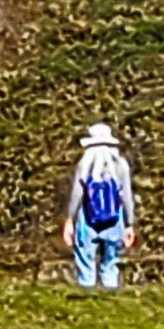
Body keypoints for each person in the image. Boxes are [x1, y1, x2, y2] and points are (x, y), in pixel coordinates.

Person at [61, 122, 136, 289]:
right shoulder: (120, 165)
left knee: (85, 262)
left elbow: (77, 194)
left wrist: (69, 219)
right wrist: (129, 224)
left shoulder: (85, 164)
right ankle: (110, 299)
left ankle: (87, 299)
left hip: (87, 220)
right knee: (111, 263)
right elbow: (126, 196)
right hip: (114, 220)